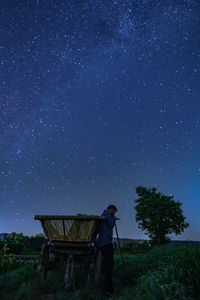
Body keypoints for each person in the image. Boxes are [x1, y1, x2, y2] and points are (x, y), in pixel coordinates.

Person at [95, 204, 118, 297]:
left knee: (108, 265)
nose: (114, 213)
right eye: (113, 211)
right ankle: (109, 290)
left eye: (115, 212)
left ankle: (105, 285)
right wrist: (112, 217)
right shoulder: (106, 215)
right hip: (106, 244)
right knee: (109, 266)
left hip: (104, 243)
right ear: (109, 209)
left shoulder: (105, 216)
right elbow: (112, 224)